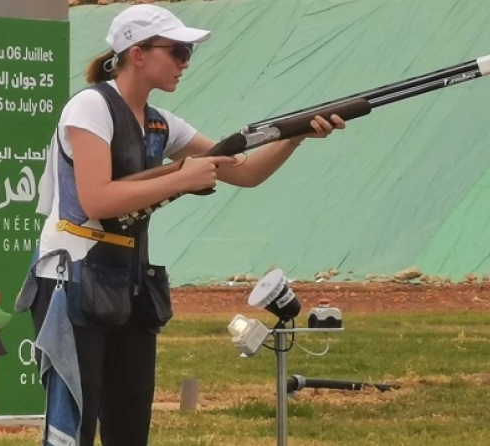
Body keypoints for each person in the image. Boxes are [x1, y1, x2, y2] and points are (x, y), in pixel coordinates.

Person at [21, 4, 346, 446]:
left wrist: (295, 135)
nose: (186, 62)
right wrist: (180, 178)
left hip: (127, 284)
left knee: (131, 425)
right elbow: (96, 198)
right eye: (177, 51)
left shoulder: (159, 123)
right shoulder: (90, 108)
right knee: (73, 424)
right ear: (137, 53)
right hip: (73, 282)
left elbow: (244, 172)